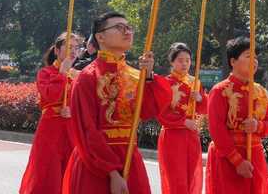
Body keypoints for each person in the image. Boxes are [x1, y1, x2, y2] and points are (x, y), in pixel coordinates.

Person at [62, 12, 168, 194]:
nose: (127, 32)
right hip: (96, 165)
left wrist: (149, 77)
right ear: (100, 37)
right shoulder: (88, 77)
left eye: (129, 27)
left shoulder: (135, 75)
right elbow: (87, 130)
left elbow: (148, 111)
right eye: (119, 27)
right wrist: (111, 172)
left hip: (130, 159)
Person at [206, 37, 268, 194]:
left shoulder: (261, 92)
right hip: (228, 158)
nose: (254, 61)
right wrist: (237, 161)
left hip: (255, 155)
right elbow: (217, 130)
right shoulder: (220, 91)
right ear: (233, 61)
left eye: (256, 57)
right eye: (248, 56)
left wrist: (258, 126)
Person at [19, 31, 83, 194]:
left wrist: (73, 111)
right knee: (47, 173)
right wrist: (62, 73)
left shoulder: (80, 76)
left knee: (72, 172)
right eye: (69, 47)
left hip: (72, 130)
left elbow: (86, 104)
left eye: (76, 47)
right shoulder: (45, 73)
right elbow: (51, 95)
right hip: (50, 130)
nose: (73, 51)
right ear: (57, 50)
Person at [156, 42, 208, 194]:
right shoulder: (165, 83)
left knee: (192, 176)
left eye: (187, 60)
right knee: (176, 178)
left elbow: (204, 109)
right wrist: (183, 121)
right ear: (172, 62)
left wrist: (200, 99)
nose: (185, 64)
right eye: (180, 60)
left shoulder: (195, 82)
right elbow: (161, 112)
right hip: (173, 136)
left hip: (191, 136)